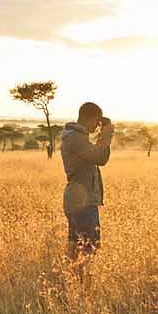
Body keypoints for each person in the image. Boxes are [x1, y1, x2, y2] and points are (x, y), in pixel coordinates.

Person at [59, 102, 113, 265]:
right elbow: (101, 158)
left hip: (78, 199)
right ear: (89, 118)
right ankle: (83, 283)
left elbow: (94, 154)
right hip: (83, 202)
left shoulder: (75, 137)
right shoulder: (76, 139)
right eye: (97, 121)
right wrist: (107, 135)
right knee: (90, 248)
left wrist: (102, 135)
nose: (98, 125)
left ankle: (73, 281)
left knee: (76, 247)